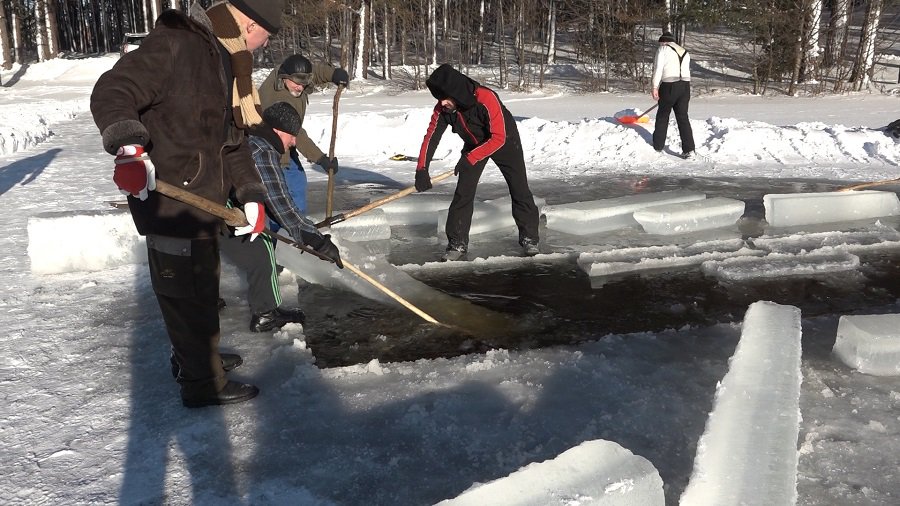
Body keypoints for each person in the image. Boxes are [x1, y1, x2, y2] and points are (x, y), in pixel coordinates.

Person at [90, 0, 284, 408]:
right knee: (184, 297)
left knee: (199, 290)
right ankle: (202, 383)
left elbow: (233, 142)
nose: (266, 45)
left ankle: (199, 359)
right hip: (169, 201)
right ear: (250, 23)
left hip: (205, 202)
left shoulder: (227, 60)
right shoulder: (177, 44)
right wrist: (128, 148)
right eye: (268, 34)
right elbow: (113, 89)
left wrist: (250, 194)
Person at [219, 102, 343, 332]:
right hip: (220, 209)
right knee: (263, 251)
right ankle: (266, 314)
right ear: (277, 131)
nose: (294, 142)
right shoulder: (263, 151)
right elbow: (281, 205)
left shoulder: (254, 140)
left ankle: (209, 301)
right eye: (291, 136)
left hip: (216, 205)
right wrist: (317, 241)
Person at [414, 63, 540, 261]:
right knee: (463, 192)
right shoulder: (443, 108)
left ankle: (530, 238)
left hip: (504, 141)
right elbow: (431, 137)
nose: (443, 102)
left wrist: (470, 158)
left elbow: (498, 137)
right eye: (440, 98)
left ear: (456, 92)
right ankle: (457, 243)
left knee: (519, 188)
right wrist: (422, 169)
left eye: (446, 97)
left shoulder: (485, 97)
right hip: (473, 144)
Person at [257, 54, 349, 213]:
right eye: (297, 84)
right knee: (284, 194)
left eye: (304, 82)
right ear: (284, 77)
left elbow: (314, 72)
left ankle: (296, 226)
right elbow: (296, 134)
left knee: (297, 184)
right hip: (273, 151)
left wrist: (333, 74)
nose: (300, 88)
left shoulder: (287, 75)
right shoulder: (277, 100)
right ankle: (289, 230)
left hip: (285, 144)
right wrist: (320, 158)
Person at [651, 31, 696, 159]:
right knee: (683, 118)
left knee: (663, 115)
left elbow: (658, 69)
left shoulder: (663, 49)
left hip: (669, 85)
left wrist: (654, 87)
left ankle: (658, 145)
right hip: (685, 87)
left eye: (660, 43)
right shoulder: (684, 51)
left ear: (663, 42)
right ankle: (689, 149)